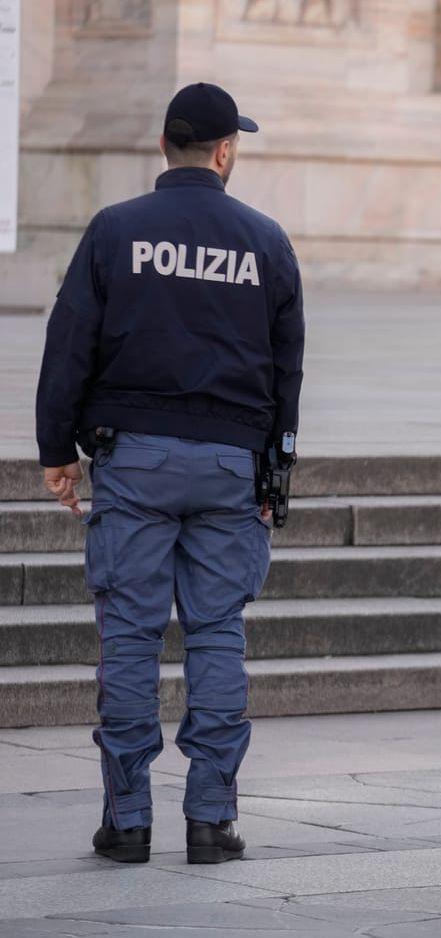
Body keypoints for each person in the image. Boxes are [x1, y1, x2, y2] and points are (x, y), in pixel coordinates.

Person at [35, 83, 305, 865]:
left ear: (165, 147)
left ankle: (127, 820)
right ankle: (211, 821)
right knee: (217, 634)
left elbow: (69, 348)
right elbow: (288, 373)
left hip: (135, 460)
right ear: (225, 152)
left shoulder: (116, 230)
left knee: (129, 635)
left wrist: (58, 453)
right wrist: (275, 474)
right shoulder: (265, 240)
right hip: (230, 464)